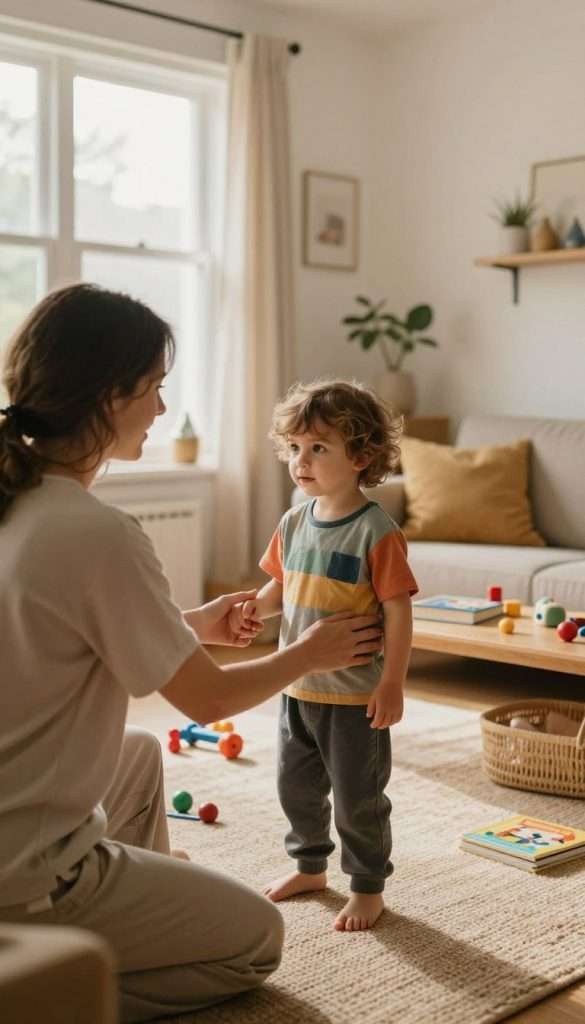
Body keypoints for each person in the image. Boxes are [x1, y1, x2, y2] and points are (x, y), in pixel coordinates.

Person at [0, 285, 384, 1023]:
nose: (161, 408)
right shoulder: (96, 532)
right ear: (111, 396)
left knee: (138, 754)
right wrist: (308, 652)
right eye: (154, 388)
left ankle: (123, 906)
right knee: (255, 941)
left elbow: (48, 631)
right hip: (27, 877)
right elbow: (208, 700)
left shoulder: (19, 503)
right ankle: (46, 985)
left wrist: (189, 627)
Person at [228, 379, 418, 932]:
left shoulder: (376, 532)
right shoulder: (294, 522)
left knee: (359, 798)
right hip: (297, 690)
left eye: (317, 448)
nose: (300, 461)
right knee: (296, 788)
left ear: (360, 457)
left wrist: (392, 681)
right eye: (294, 448)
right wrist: (254, 610)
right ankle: (309, 867)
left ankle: (366, 886)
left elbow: (399, 612)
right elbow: (280, 588)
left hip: (355, 698)